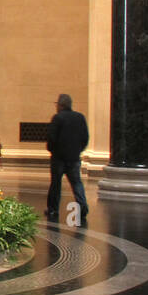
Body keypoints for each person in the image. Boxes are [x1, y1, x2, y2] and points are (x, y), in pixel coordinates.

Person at [46, 93, 90, 225]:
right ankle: (82, 206)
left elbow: (51, 138)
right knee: (77, 183)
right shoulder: (80, 117)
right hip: (74, 157)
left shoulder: (58, 118)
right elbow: (85, 137)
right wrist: (78, 150)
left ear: (60, 105)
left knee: (56, 184)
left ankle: (53, 209)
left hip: (59, 158)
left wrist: (53, 150)